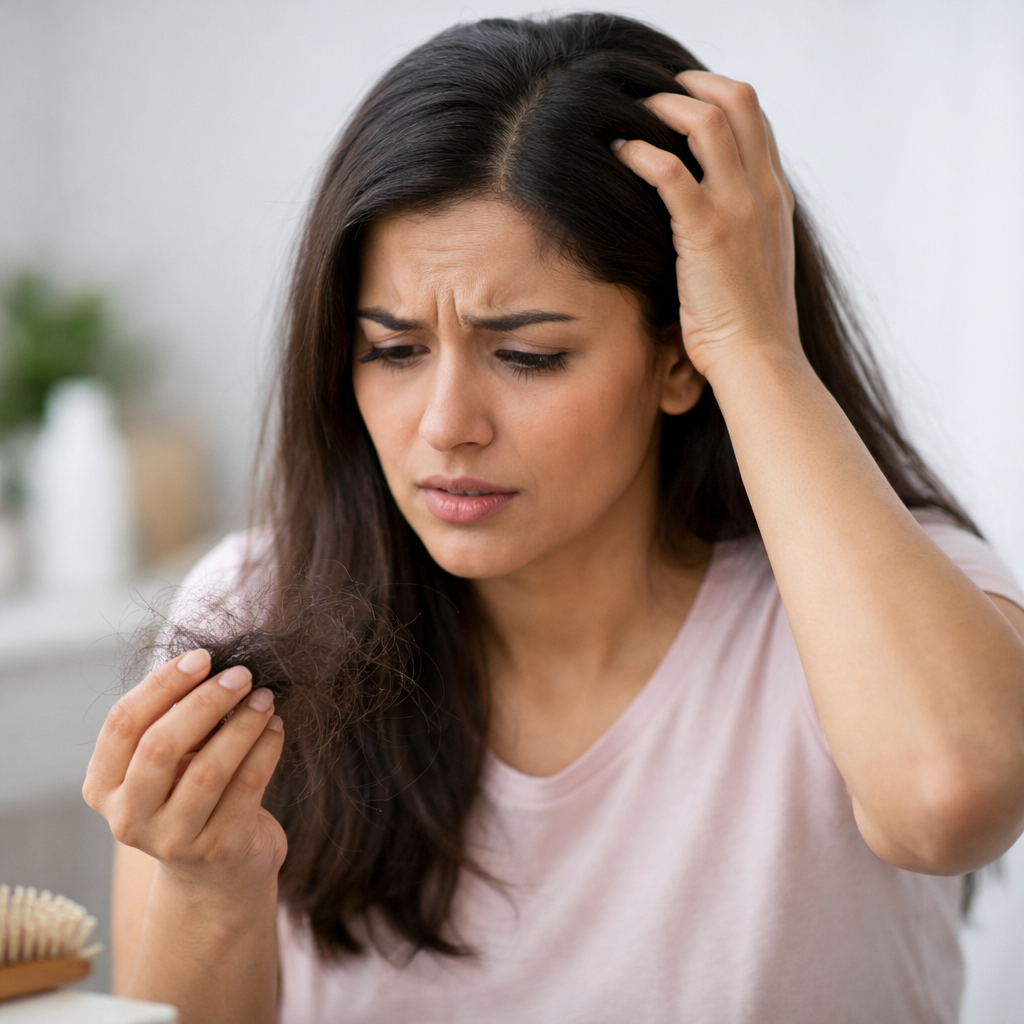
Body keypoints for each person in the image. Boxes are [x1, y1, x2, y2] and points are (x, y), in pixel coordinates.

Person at [83, 13, 1024, 1024]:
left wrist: (755, 345)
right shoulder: (254, 608)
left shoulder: (879, 596)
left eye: (527, 356)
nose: (445, 425)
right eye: (393, 350)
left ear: (679, 355)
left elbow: (951, 799)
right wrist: (210, 886)